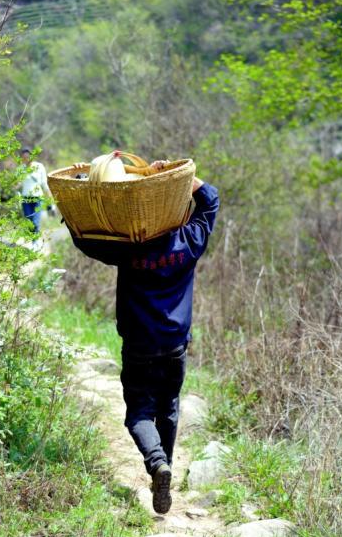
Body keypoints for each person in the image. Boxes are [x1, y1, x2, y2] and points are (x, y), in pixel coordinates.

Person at [67, 160, 219, 515]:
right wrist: (174, 177)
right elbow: (210, 200)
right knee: (168, 407)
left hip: (138, 344)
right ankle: (163, 467)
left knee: (138, 412)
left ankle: (156, 464)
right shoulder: (190, 241)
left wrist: (81, 187)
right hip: (175, 344)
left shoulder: (128, 248)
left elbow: (83, 236)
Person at [16, 148, 53, 234]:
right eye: (23, 158)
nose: (26, 159)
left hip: (37, 198)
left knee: (35, 222)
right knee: (29, 221)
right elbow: (18, 184)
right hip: (25, 199)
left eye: (27, 157)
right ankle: (31, 240)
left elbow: (44, 184)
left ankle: (35, 242)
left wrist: (50, 201)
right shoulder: (20, 169)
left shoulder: (39, 167)